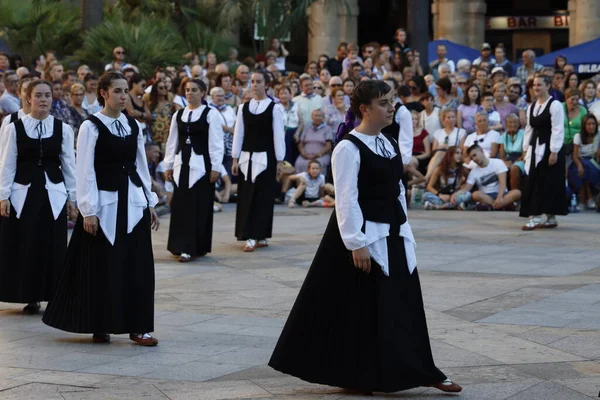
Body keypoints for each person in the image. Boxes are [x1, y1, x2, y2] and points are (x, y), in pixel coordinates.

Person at [269, 80, 462, 394]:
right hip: (364, 236)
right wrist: (356, 244)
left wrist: (404, 227)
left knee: (404, 303)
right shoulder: (348, 147)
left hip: (393, 232)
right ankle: (363, 375)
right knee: (364, 309)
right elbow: (346, 198)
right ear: (364, 110)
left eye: (391, 102)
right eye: (384, 103)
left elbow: (397, 188)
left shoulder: (386, 142)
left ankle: (420, 368)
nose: (391, 108)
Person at [42, 71, 161, 346]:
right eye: (117, 91)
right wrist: (88, 209)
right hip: (105, 207)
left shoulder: (132, 125)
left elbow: (141, 167)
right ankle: (101, 323)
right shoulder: (90, 126)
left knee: (139, 268)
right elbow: (84, 169)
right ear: (104, 94)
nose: (123, 96)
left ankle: (139, 326)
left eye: (125, 90)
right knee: (104, 268)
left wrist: (150, 202)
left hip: (133, 205)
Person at [0, 80, 76, 314]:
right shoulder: (15, 127)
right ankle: (30, 295)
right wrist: (3, 195)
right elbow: (7, 163)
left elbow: (69, 165)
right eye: (39, 95)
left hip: (53, 194)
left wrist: (72, 198)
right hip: (23, 194)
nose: (43, 100)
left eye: (47, 95)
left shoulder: (63, 128)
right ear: (28, 99)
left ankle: (54, 295)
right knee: (28, 244)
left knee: (53, 246)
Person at [163, 79, 224, 262]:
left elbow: (216, 143)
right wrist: (168, 165)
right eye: (188, 90)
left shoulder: (210, 114)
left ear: (203, 92)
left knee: (199, 206)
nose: (190, 93)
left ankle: (196, 246)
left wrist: (215, 166)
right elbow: (172, 142)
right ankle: (180, 245)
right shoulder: (178, 115)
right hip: (182, 166)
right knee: (181, 207)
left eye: (194, 90)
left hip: (202, 167)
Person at [231, 70, 285, 252]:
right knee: (247, 196)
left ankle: (258, 235)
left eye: (259, 81)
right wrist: (235, 158)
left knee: (262, 197)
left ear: (267, 85)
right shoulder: (243, 108)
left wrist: (279, 161)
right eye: (252, 82)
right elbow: (238, 134)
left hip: (266, 158)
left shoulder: (274, 108)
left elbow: (278, 136)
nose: (254, 85)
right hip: (246, 158)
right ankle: (249, 234)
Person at [520, 75, 568, 230]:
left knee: (549, 182)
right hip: (535, 148)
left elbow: (558, 129)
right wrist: (525, 147)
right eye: (534, 85)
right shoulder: (532, 106)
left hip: (549, 147)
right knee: (535, 180)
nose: (536, 88)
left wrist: (554, 151)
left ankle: (544, 216)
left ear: (548, 86)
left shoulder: (555, 106)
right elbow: (529, 129)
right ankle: (539, 215)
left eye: (539, 85)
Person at [456, 144, 521, 211]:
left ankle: (493, 206)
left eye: (475, 155)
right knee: (475, 195)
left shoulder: (498, 162)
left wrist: (499, 198)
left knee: (517, 192)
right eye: (472, 158)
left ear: (482, 152)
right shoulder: (474, 172)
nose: (474, 159)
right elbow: (467, 188)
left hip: (502, 194)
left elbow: (502, 183)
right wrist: (455, 194)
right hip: (486, 196)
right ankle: (502, 206)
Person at [568, 113, 600, 209]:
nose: (591, 126)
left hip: (593, 161)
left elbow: (598, 155)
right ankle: (588, 199)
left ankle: (583, 199)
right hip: (579, 161)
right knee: (580, 171)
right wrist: (579, 165)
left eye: (593, 124)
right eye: (588, 124)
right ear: (584, 125)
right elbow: (575, 156)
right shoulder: (578, 136)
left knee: (588, 170)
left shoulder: (598, 136)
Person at [426, 109, 466, 180]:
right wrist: (441, 146)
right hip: (439, 154)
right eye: (449, 117)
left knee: (440, 153)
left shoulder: (461, 132)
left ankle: (426, 177)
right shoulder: (438, 132)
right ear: (444, 119)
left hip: (453, 155)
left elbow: (460, 148)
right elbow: (433, 149)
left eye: (453, 117)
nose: (451, 119)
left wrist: (449, 148)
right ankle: (429, 179)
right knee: (439, 153)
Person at [295, 109, 334, 176]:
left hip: (321, 155)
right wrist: (303, 154)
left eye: (320, 116)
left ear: (323, 117)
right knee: (299, 163)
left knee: (317, 164)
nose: (318, 117)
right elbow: (301, 143)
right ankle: (301, 185)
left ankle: (319, 185)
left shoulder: (327, 128)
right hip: (306, 155)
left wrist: (317, 155)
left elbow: (328, 146)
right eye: (316, 115)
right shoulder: (307, 127)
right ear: (312, 117)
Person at [209, 87, 236, 177]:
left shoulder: (229, 109)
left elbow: (236, 122)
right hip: (218, 143)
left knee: (230, 169)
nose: (220, 98)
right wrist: (230, 130)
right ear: (212, 97)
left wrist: (234, 130)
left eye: (222, 96)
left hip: (231, 144)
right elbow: (215, 124)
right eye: (218, 96)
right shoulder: (209, 109)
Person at [499, 114, 526, 191]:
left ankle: (514, 195)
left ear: (518, 124)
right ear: (506, 124)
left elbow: (525, 153)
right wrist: (505, 162)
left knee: (514, 168)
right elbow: (502, 156)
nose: (513, 124)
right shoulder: (503, 136)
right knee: (501, 168)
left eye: (515, 122)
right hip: (508, 160)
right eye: (510, 122)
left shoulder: (524, 134)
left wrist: (515, 162)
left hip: (521, 159)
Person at [146, 79, 175, 147]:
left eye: (165, 87)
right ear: (156, 89)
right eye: (161, 88)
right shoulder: (150, 104)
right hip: (153, 138)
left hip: (167, 138)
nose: (164, 89)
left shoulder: (170, 104)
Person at [278, 85, 299, 165]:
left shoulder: (296, 105)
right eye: (281, 93)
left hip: (293, 134)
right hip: (281, 134)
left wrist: (297, 133)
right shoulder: (276, 107)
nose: (283, 95)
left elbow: (301, 122)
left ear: (290, 95)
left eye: (285, 93)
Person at [563, 88, 587, 157]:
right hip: (560, 143)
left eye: (577, 99)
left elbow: (585, 128)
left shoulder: (583, 110)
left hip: (576, 144)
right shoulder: (560, 107)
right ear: (566, 99)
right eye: (572, 99)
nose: (575, 102)